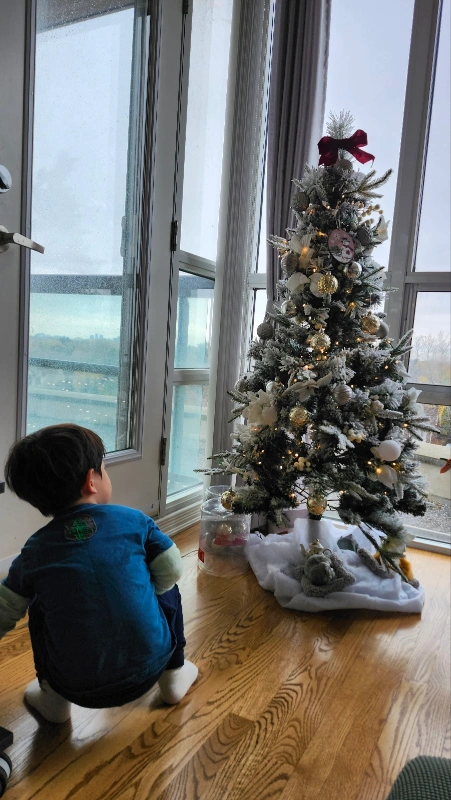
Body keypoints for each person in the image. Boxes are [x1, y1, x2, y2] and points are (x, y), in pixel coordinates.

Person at [0, 424, 198, 723]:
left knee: (39, 604)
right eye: (104, 469)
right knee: (165, 585)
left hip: (75, 687)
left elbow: (5, 609)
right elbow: (172, 568)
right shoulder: (134, 521)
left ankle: (53, 700)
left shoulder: (34, 551)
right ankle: (174, 673)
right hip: (151, 668)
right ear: (91, 482)